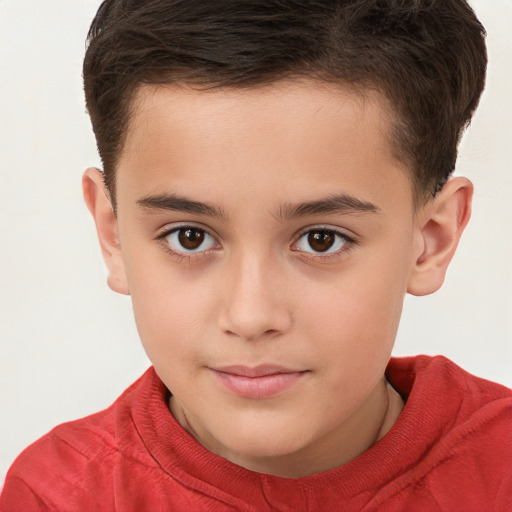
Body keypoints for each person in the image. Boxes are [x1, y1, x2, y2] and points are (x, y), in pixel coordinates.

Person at [1, 0, 510, 510]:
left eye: (321, 240)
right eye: (190, 237)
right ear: (113, 235)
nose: (250, 316)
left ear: (431, 239)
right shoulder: (58, 496)